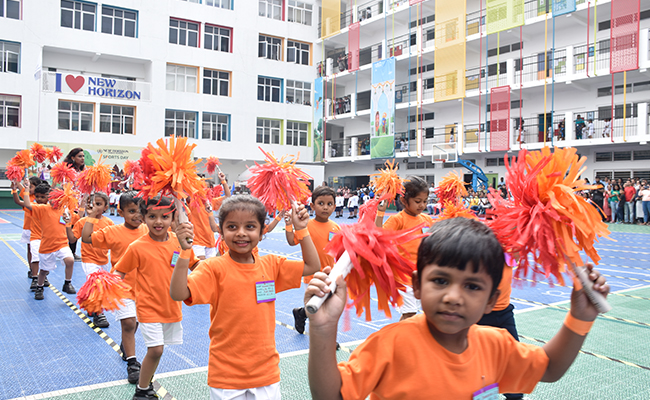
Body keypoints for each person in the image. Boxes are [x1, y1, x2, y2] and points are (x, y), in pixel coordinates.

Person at [305, 217, 609, 399]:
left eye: (472, 286)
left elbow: (550, 368)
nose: (453, 296)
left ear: (492, 299)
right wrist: (322, 329)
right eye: (440, 280)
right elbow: (332, 395)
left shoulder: (496, 345)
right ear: (417, 286)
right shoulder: (392, 343)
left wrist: (579, 318)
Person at [169, 195, 320, 399]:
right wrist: (185, 252)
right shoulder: (213, 268)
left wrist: (302, 228)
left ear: (261, 232)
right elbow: (178, 293)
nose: (241, 233)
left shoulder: (271, 265)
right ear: (221, 232)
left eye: (250, 226)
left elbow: (312, 266)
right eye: (232, 227)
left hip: (265, 373)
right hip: (226, 375)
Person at [115, 196, 201, 400]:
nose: (159, 221)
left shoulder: (179, 242)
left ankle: (146, 385)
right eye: (152, 216)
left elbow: (196, 265)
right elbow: (119, 271)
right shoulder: (137, 246)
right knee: (156, 350)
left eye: (164, 216)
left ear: (173, 218)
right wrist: (106, 287)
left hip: (171, 307)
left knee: (158, 352)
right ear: (143, 218)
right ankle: (142, 390)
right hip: (147, 308)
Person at [82, 191, 147, 384]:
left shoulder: (148, 230)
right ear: (120, 212)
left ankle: (126, 345)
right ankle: (132, 363)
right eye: (132, 211)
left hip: (144, 289)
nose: (137, 215)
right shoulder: (112, 231)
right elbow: (86, 238)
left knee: (135, 324)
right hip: (122, 287)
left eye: (140, 211)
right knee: (128, 323)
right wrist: (92, 216)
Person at [376, 176, 433, 320]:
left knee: (426, 311)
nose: (422, 205)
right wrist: (380, 213)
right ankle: (398, 340)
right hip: (402, 277)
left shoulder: (427, 220)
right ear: (403, 200)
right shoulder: (398, 219)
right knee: (409, 314)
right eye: (417, 201)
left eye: (425, 201)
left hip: (421, 274)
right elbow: (379, 235)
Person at [287, 186, 341, 335]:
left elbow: (338, 251)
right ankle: (324, 338)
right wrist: (289, 224)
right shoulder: (307, 225)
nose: (325, 207)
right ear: (312, 206)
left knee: (327, 305)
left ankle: (301, 313)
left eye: (329, 204)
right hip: (312, 274)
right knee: (317, 308)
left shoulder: (336, 228)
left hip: (330, 274)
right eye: (321, 203)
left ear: (335, 207)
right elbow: (292, 241)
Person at [20, 180, 76, 300]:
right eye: (51, 197)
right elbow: (27, 204)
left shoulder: (65, 211)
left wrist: (70, 218)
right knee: (44, 270)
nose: (53, 200)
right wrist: (26, 189)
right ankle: (40, 287)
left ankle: (67, 283)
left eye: (56, 198)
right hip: (47, 246)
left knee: (70, 260)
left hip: (62, 244)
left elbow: (79, 216)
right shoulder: (43, 209)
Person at [67, 192, 114, 327]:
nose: (93, 206)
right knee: (96, 284)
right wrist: (67, 224)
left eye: (98, 204)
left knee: (100, 286)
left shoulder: (109, 222)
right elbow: (72, 239)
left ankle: (90, 305)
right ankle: (99, 314)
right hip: (89, 259)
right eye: (91, 203)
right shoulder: (83, 222)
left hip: (104, 260)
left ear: (105, 207)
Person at [12, 179, 48, 289]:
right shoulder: (31, 201)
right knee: (32, 252)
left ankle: (41, 274)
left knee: (43, 255)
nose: (29, 188)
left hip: (43, 233)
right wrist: (15, 185)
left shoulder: (42, 203)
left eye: (32, 186)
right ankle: (33, 272)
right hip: (30, 230)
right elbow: (19, 200)